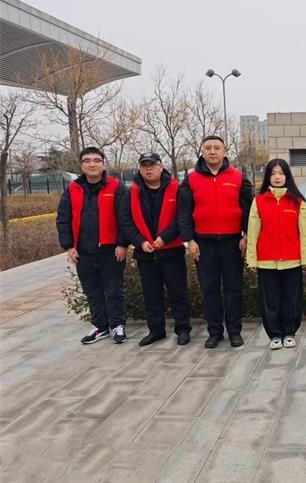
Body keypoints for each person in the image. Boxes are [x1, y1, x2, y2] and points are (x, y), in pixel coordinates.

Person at [178, 135, 254, 349]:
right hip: (203, 244)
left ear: (225, 151)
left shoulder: (238, 177)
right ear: (202, 152)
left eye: (217, 148)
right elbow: (183, 213)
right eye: (208, 148)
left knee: (233, 289)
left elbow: (249, 210)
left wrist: (246, 235)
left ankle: (234, 331)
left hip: (232, 243)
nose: (212, 152)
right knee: (209, 289)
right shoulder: (191, 180)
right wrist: (189, 241)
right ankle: (214, 332)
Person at [56, 147, 129, 344]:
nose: (92, 164)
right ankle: (100, 327)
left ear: (103, 164)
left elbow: (125, 218)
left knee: (114, 290)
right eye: (87, 160)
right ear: (81, 165)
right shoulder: (73, 189)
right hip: (83, 251)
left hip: (111, 250)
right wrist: (69, 246)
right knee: (92, 291)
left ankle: (117, 325)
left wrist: (122, 243)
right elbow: (63, 218)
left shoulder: (116, 187)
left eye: (96, 160)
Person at [119, 153, 191, 346]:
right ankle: (156, 330)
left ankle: (183, 329)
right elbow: (125, 221)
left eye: (152, 165)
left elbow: (182, 217)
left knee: (178, 293)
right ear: (140, 169)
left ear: (161, 167)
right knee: (151, 294)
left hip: (171, 251)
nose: (148, 169)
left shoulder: (176, 188)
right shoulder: (132, 192)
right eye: (144, 166)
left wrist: (165, 237)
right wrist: (140, 241)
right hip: (145, 253)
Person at [247, 159, 306, 350]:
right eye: (273, 173)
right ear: (268, 176)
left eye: (281, 173)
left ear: (287, 176)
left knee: (291, 299)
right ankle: (274, 334)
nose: (277, 177)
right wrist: (252, 260)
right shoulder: (259, 202)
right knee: (270, 300)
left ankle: (289, 332)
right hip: (266, 261)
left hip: (292, 261)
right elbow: (252, 233)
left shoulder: (298, 202)